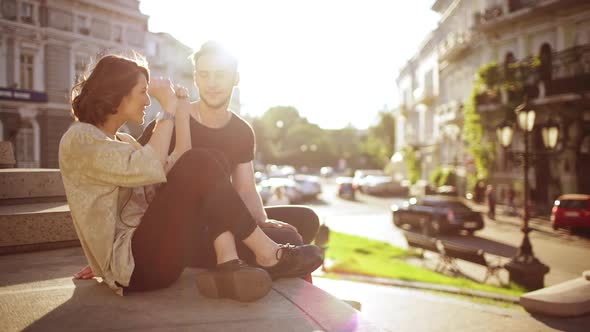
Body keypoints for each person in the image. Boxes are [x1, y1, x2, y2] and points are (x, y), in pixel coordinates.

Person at [62, 54, 323, 302]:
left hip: (160, 250)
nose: (146, 100)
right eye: (143, 92)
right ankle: (264, 254)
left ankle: (229, 266)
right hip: (136, 267)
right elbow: (152, 165)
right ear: (117, 94)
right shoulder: (80, 138)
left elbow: (178, 164)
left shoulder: (123, 140)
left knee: (213, 161)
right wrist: (167, 111)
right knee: (204, 162)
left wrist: (179, 113)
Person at [139, 41, 320, 261]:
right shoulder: (171, 119)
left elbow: (245, 189)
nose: (212, 83)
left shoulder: (242, 130)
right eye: (204, 75)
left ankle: (245, 254)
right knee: (290, 241)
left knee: (305, 220)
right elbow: (134, 180)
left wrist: (261, 221)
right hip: (178, 228)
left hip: (221, 219)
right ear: (195, 78)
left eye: (220, 75)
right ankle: (245, 257)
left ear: (236, 78)